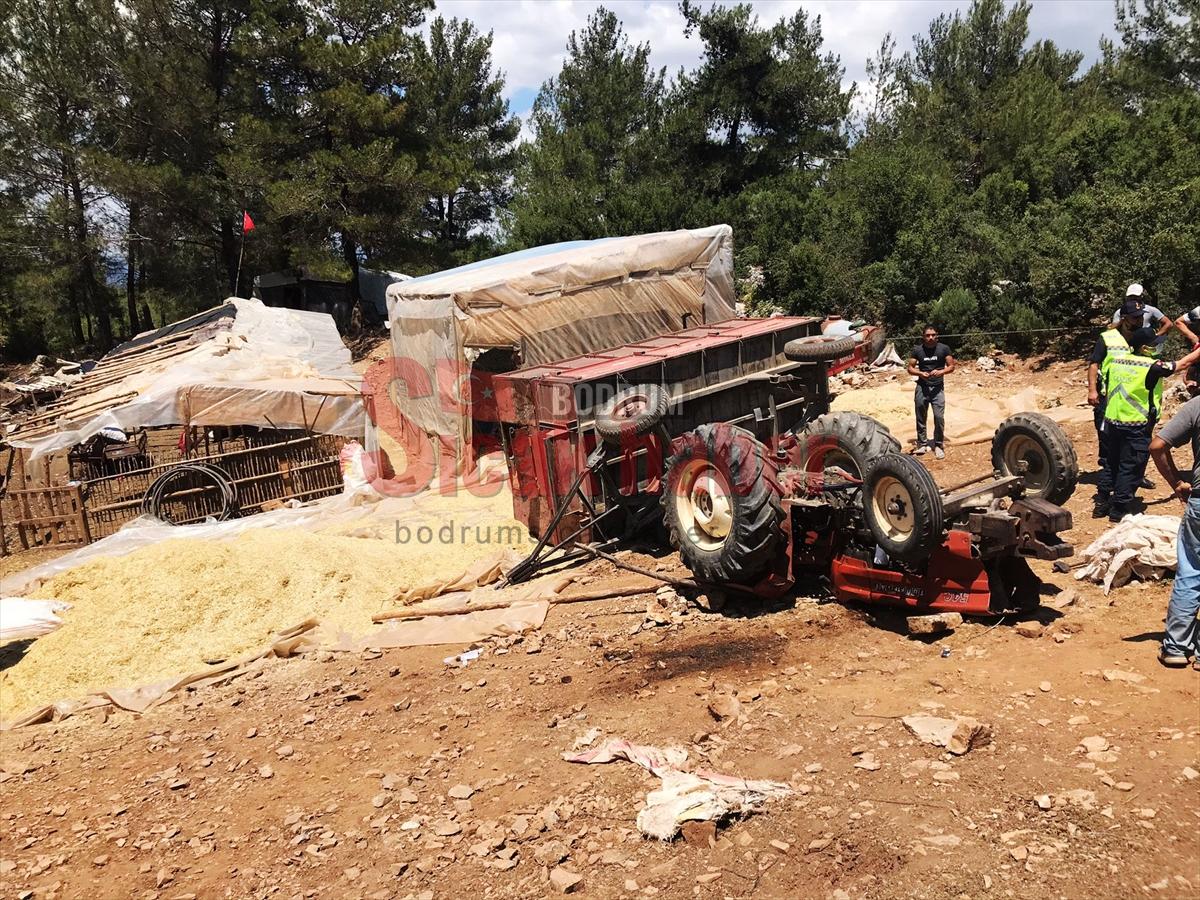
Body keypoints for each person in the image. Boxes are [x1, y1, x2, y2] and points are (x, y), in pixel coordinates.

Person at [1095, 329, 1200, 521]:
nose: (1158, 346)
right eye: (1154, 344)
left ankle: (1101, 502)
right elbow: (1183, 363)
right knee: (1131, 465)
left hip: (1111, 420)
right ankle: (1119, 509)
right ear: (1144, 348)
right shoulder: (1151, 366)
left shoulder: (1117, 360)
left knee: (1111, 461)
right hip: (1135, 423)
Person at [1149, 395, 1200, 669]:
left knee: (1191, 571)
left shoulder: (1196, 406)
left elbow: (1157, 445)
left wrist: (1176, 483)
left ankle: (1176, 648)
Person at [907, 325, 955, 459]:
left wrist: (941, 372)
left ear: (937, 335)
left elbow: (951, 366)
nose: (930, 337)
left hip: (938, 387)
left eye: (933, 335)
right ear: (923, 337)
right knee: (921, 416)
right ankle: (922, 443)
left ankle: (938, 445)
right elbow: (910, 368)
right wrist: (920, 373)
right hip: (922, 387)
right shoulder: (917, 350)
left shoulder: (943, 348)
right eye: (927, 335)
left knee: (939, 417)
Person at [1111, 283, 1197, 343]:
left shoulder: (1151, 310)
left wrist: (1155, 337)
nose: (1133, 298)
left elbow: (1168, 323)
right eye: (1131, 296)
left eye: (1136, 296)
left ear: (1141, 296)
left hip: (1146, 345)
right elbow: (1113, 330)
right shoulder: (1120, 312)